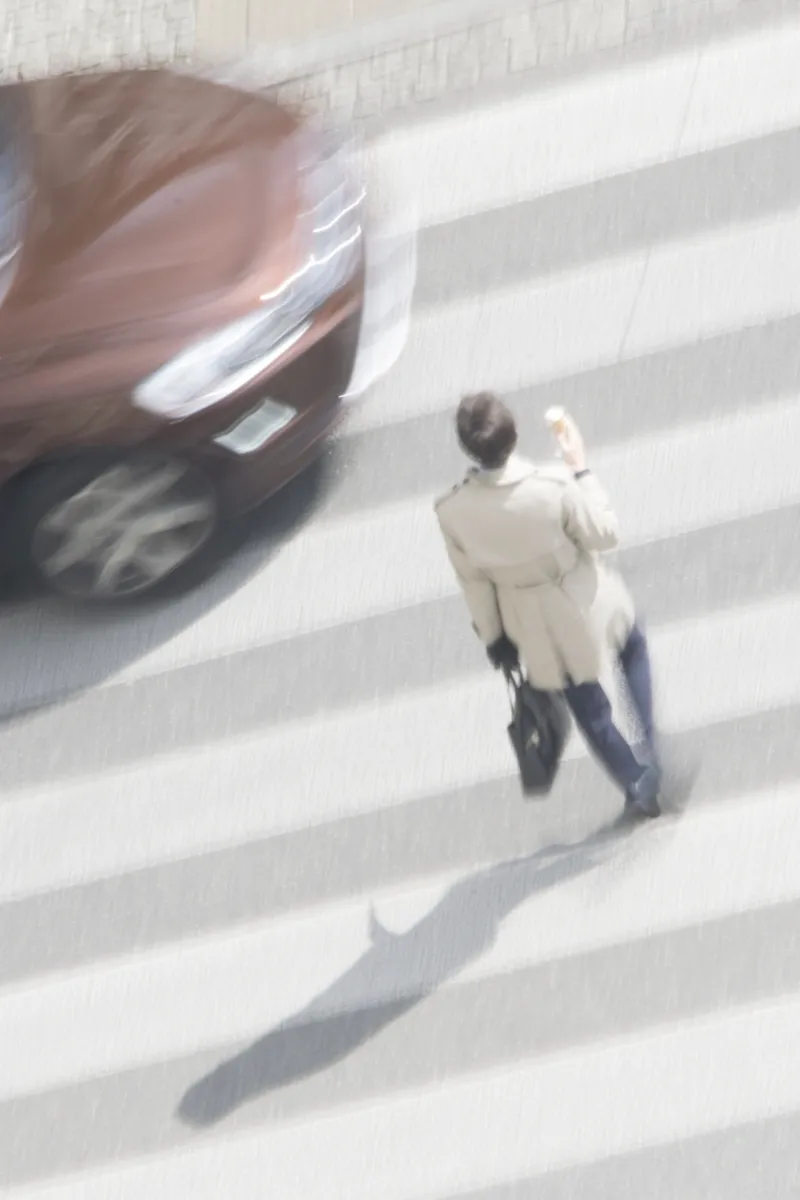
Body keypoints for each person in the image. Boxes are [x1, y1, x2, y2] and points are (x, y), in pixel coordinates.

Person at [434, 391, 661, 818]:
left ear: (469, 449)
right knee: (630, 645)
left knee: (586, 703)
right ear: (514, 434)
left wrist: (495, 638)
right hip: (584, 596)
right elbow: (605, 533)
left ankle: (635, 781)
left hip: (530, 620)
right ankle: (649, 739)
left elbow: (474, 583)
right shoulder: (553, 486)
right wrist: (581, 467)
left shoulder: (453, 511)